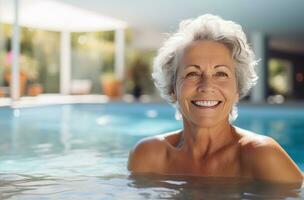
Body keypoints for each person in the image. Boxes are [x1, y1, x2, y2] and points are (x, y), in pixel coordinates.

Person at [128, 14, 303, 184]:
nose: (206, 86)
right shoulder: (148, 156)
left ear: (237, 90)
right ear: (173, 88)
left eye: (221, 73)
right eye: (192, 73)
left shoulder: (262, 155)